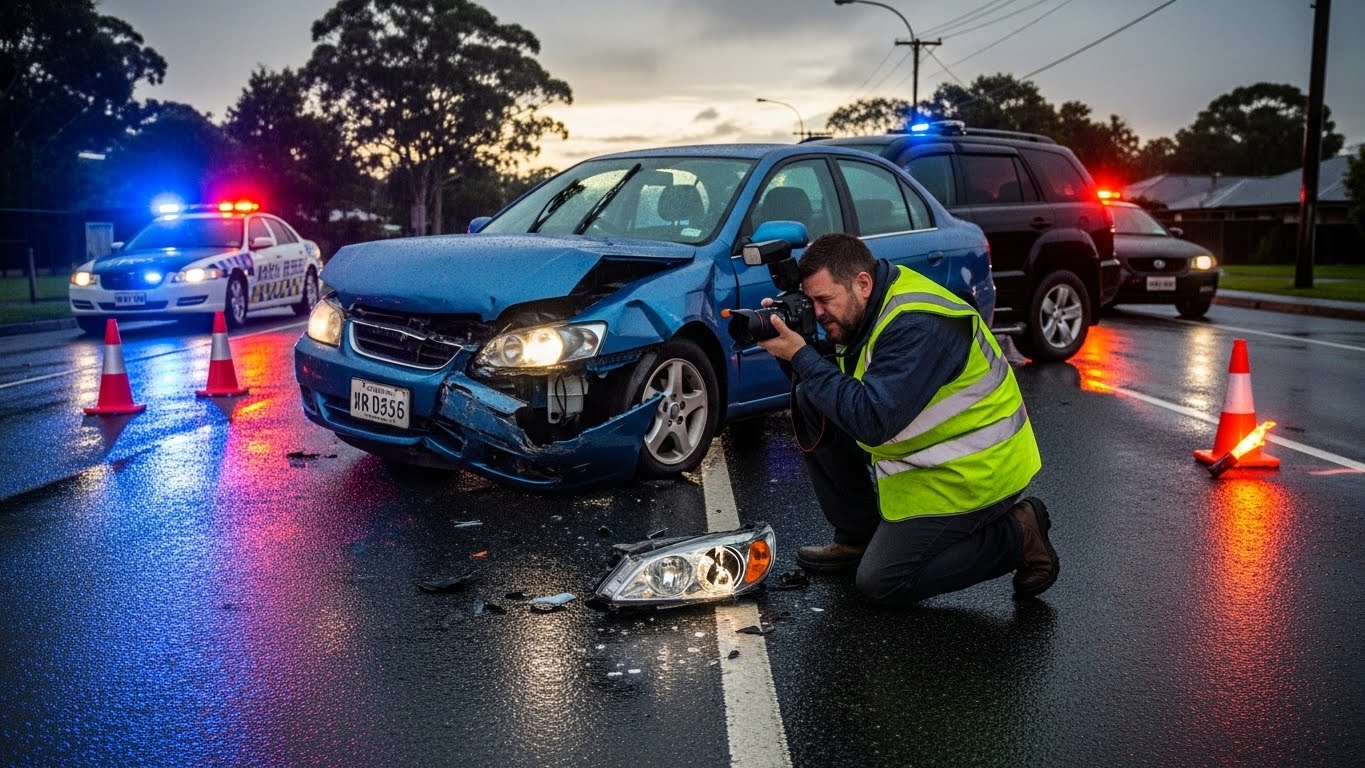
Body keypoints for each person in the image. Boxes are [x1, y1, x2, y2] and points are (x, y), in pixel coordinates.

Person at [755, 232, 1059, 606]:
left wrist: (802, 356)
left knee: (881, 581)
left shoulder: (916, 323)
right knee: (812, 396)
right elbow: (834, 385)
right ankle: (858, 537)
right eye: (810, 301)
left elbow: (872, 420)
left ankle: (1019, 534)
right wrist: (790, 347)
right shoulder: (864, 310)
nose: (817, 313)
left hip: (978, 472)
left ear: (862, 284)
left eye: (824, 300)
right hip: (927, 460)